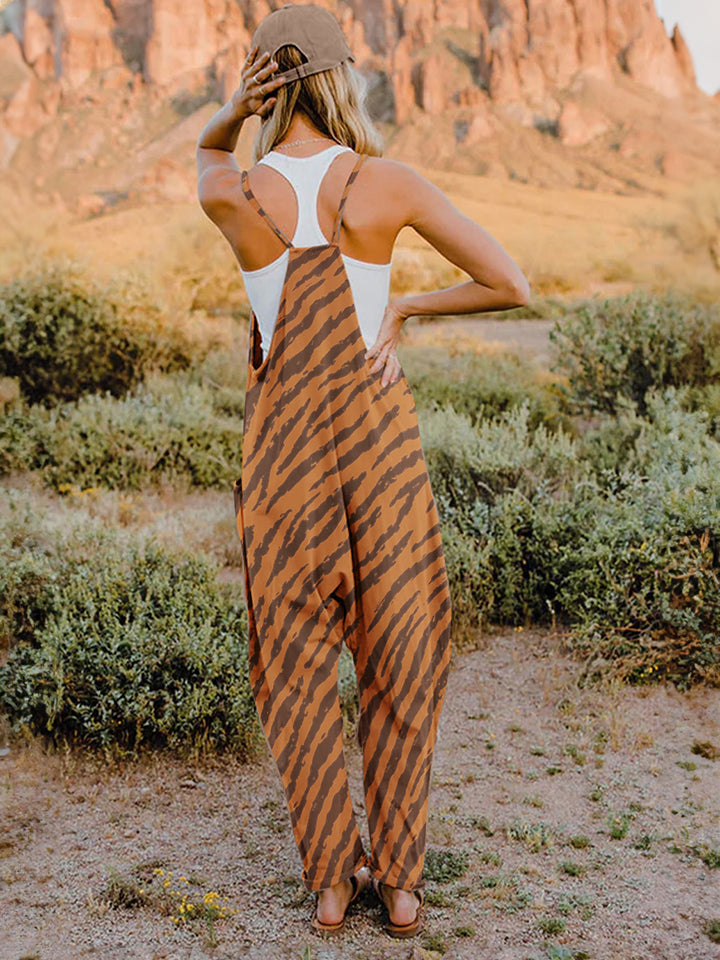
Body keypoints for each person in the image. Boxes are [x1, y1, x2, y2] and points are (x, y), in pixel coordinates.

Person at [196, 2, 530, 940]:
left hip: (284, 455)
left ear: (266, 85)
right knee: (402, 652)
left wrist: (233, 111)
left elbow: (205, 160)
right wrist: (406, 307)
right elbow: (513, 282)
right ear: (343, 78)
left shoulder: (235, 192)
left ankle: (332, 886)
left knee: (296, 663)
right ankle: (405, 882)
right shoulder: (387, 183)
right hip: (379, 447)